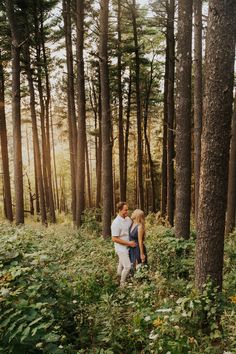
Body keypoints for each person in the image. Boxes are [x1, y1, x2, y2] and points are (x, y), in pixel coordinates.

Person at [111, 202, 136, 286]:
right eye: (125, 210)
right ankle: (122, 284)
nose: (127, 212)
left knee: (121, 263)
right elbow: (114, 238)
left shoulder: (128, 219)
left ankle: (118, 276)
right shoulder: (116, 223)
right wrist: (128, 243)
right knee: (127, 266)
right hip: (121, 248)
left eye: (127, 210)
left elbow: (133, 226)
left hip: (128, 246)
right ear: (120, 210)